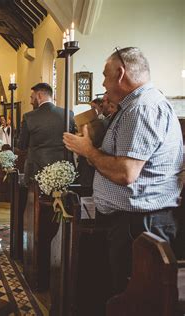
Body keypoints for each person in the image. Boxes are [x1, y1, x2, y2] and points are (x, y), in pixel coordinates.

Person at [63, 47, 183, 295]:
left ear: (120, 74)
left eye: (105, 75)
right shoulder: (135, 106)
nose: (103, 83)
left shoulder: (142, 108)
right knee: (127, 296)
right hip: (136, 222)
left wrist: (88, 151)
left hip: (140, 225)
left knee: (136, 300)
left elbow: (126, 173)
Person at [18, 82, 75, 181]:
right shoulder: (68, 114)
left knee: (34, 195)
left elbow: (22, 145)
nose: (31, 102)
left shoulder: (29, 117)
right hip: (64, 171)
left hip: (38, 171)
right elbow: (73, 139)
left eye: (32, 97)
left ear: (39, 95)